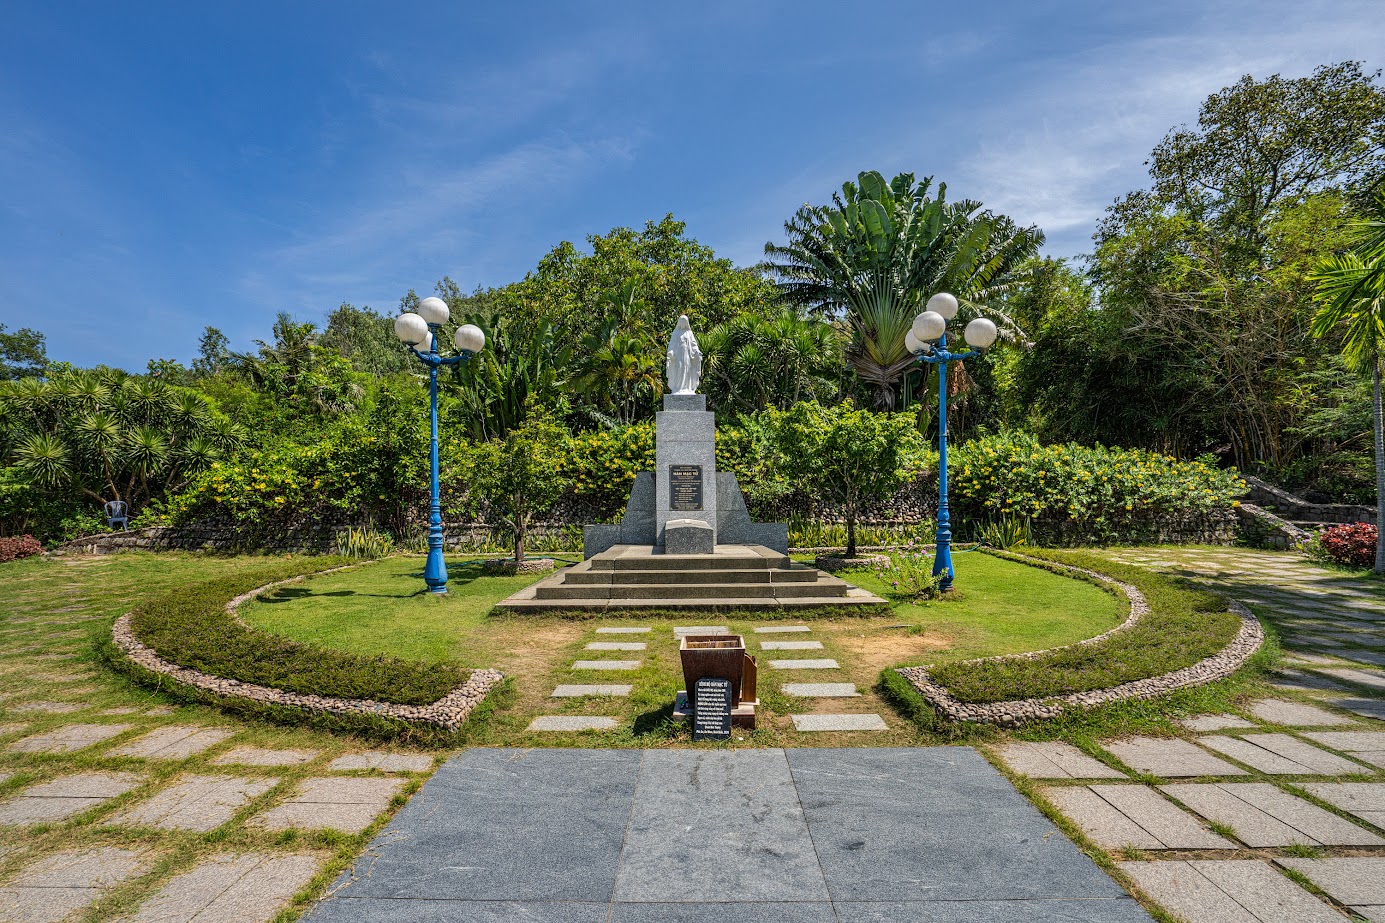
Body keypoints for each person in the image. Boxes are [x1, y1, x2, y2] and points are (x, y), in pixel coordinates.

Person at [665, 314, 702, 394]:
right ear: (679, 323)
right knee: (679, 369)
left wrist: (697, 352)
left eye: (684, 322)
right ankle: (678, 388)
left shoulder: (689, 333)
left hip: (687, 355)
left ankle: (687, 388)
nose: (682, 324)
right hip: (678, 355)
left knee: (687, 368)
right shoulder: (676, 332)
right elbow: (672, 344)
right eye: (681, 322)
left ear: (686, 323)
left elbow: (693, 344)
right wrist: (670, 352)